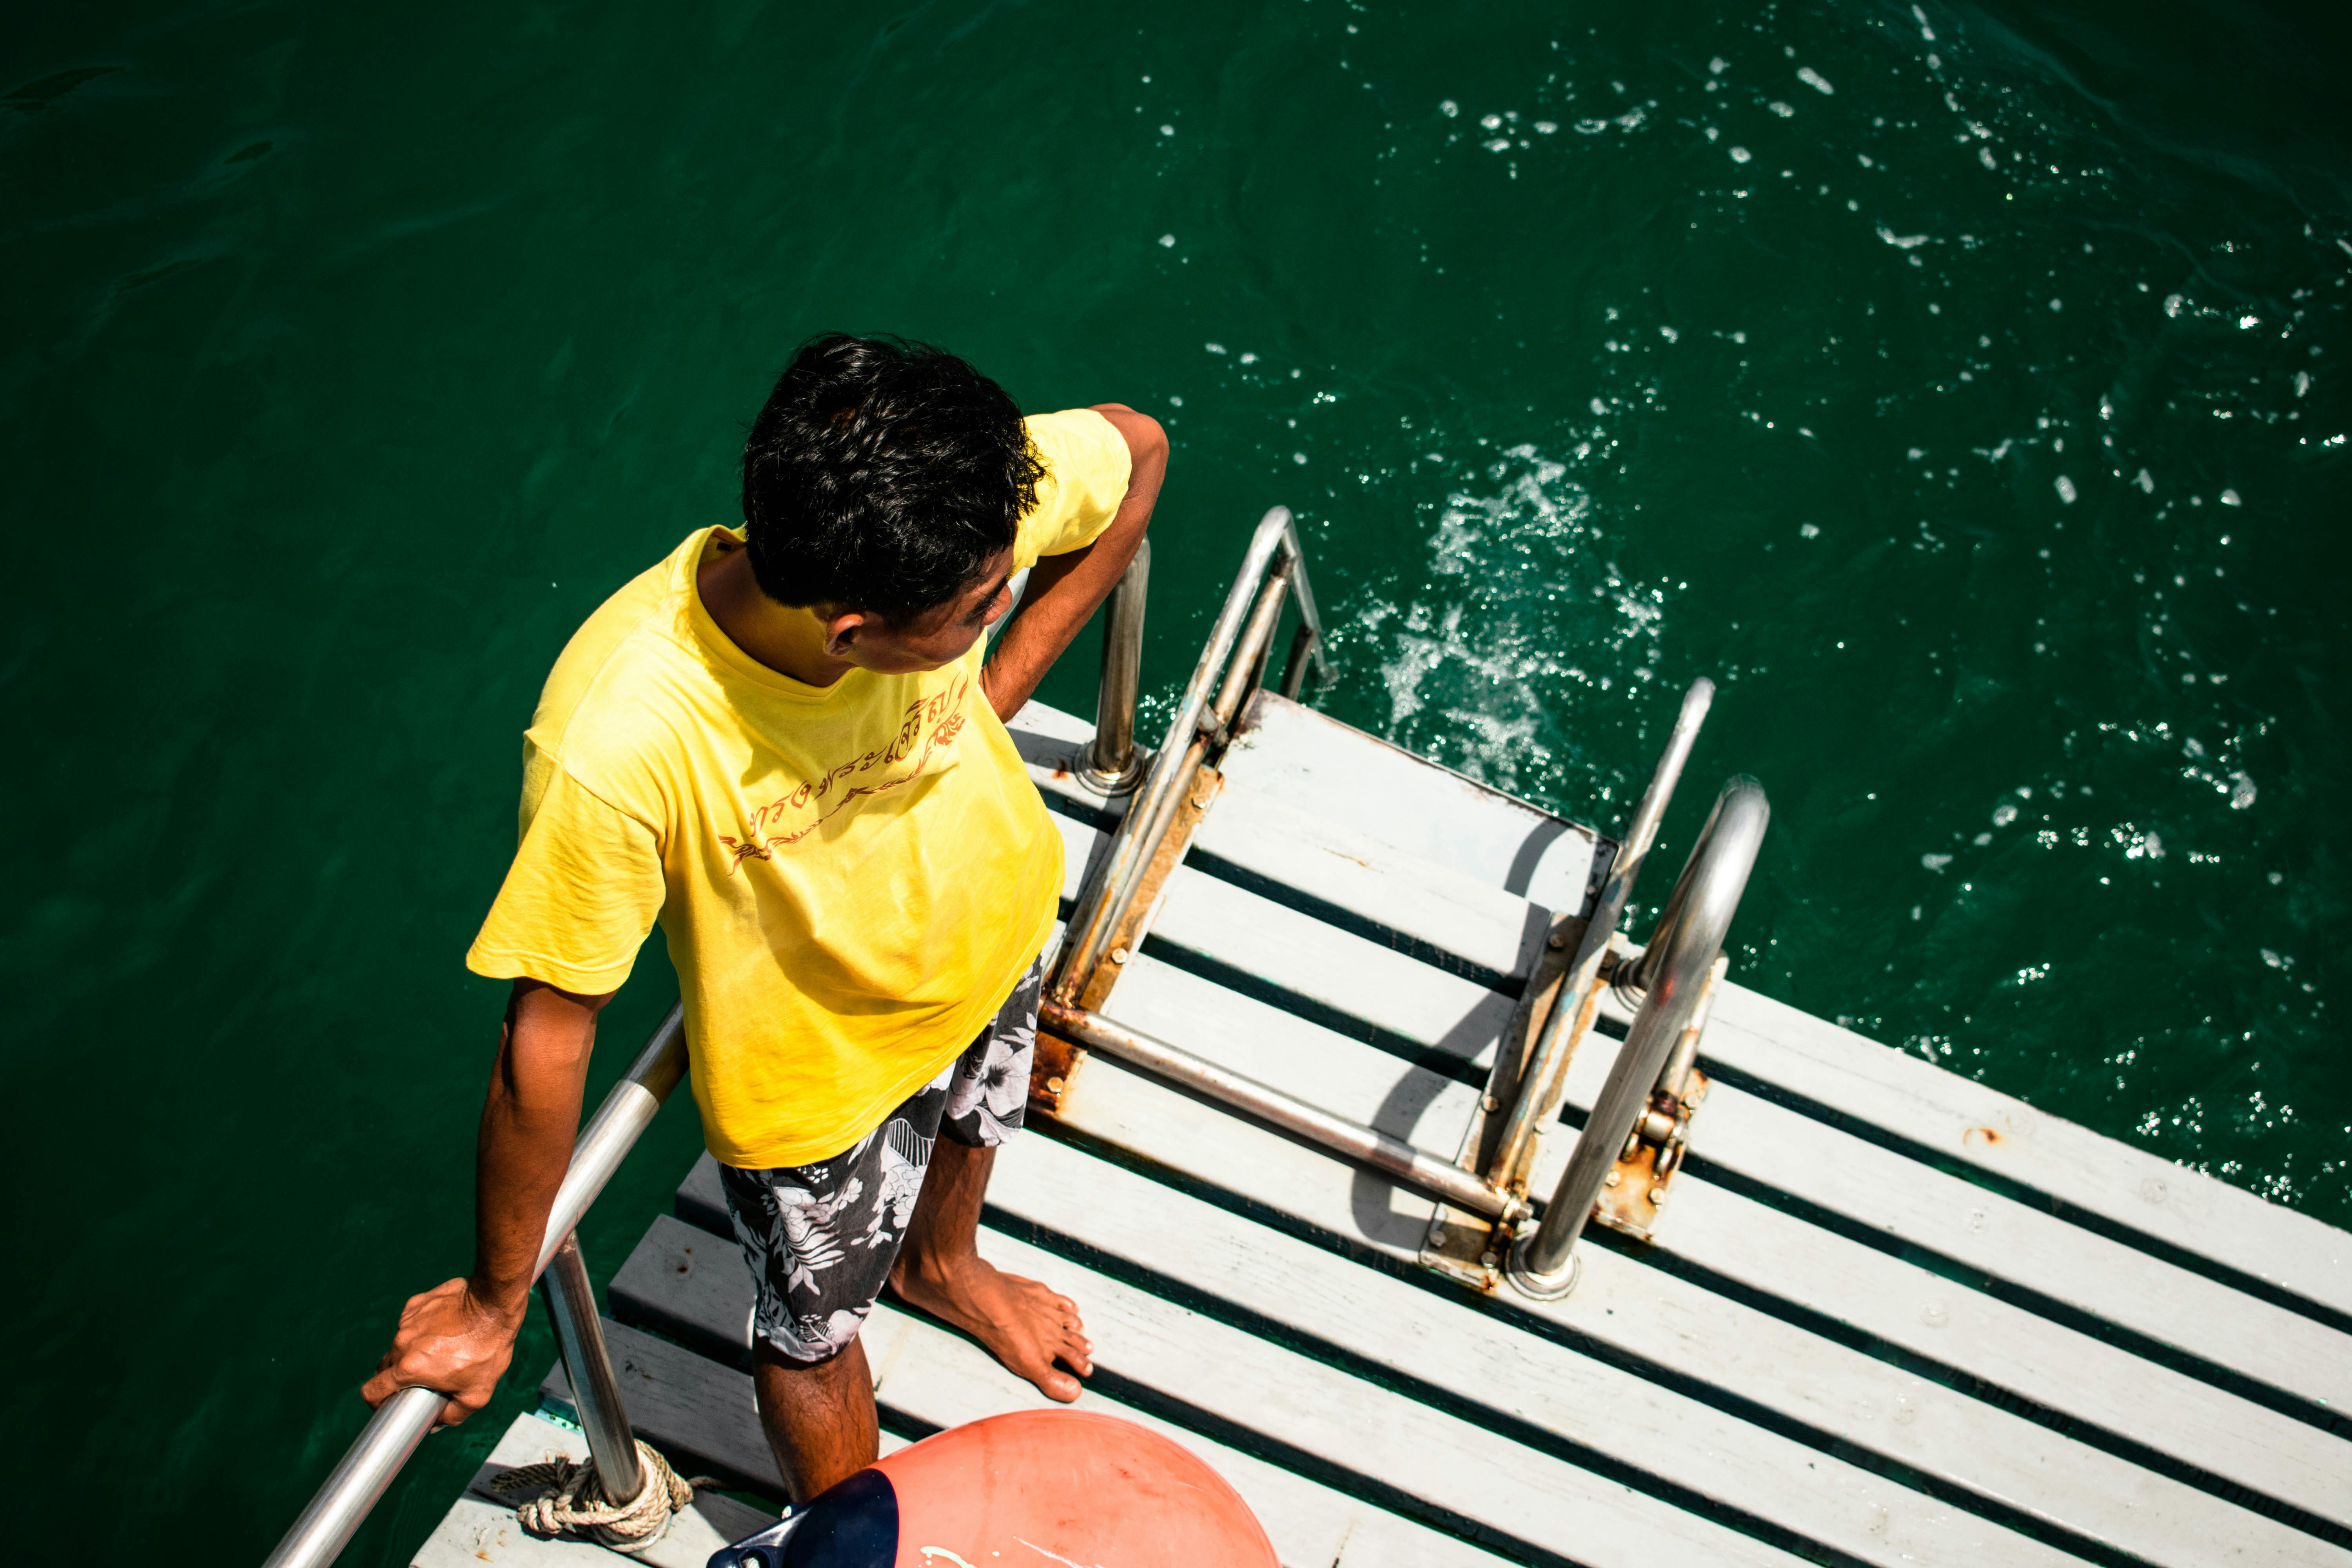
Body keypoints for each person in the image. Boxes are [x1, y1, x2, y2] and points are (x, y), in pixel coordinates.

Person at [361, 334, 1166, 1503]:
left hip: (994, 926)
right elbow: (547, 1035)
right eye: (983, 609)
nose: (1003, 599)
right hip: (814, 1076)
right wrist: (494, 1302)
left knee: (979, 1115)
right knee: (809, 1328)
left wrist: (992, 689)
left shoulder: (955, 503)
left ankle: (944, 1264)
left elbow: (1136, 449)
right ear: (851, 637)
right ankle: (847, 1530)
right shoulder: (624, 736)